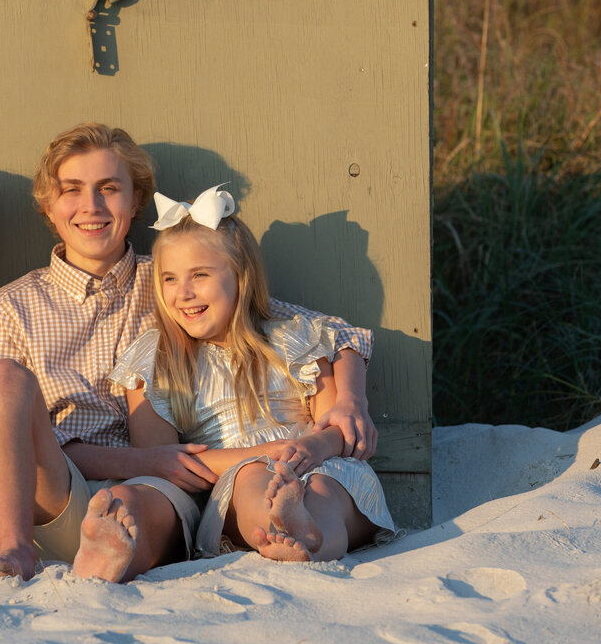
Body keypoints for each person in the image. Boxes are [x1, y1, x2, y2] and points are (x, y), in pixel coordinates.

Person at [0, 123, 378, 584]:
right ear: (47, 206)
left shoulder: (167, 270)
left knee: (140, 502)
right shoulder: (8, 307)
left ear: (136, 199)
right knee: (4, 380)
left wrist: (350, 401)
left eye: (109, 188)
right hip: (68, 481)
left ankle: (114, 553)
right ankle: (21, 548)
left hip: (162, 480)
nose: (92, 206)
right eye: (72, 190)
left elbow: (328, 331)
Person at [109, 185, 397, 563]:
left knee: (325, 487)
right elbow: (162, 462)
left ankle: (311, 535)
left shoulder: (292, 338)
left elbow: (334, 422)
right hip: (235, 467)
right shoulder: (158, 360)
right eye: (170, 279)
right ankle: (285, 527)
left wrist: (312, 447)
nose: (184, 293)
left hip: (319, 458)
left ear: (240, 276)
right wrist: (265, 455)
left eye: (200, 275)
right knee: (253, 483)